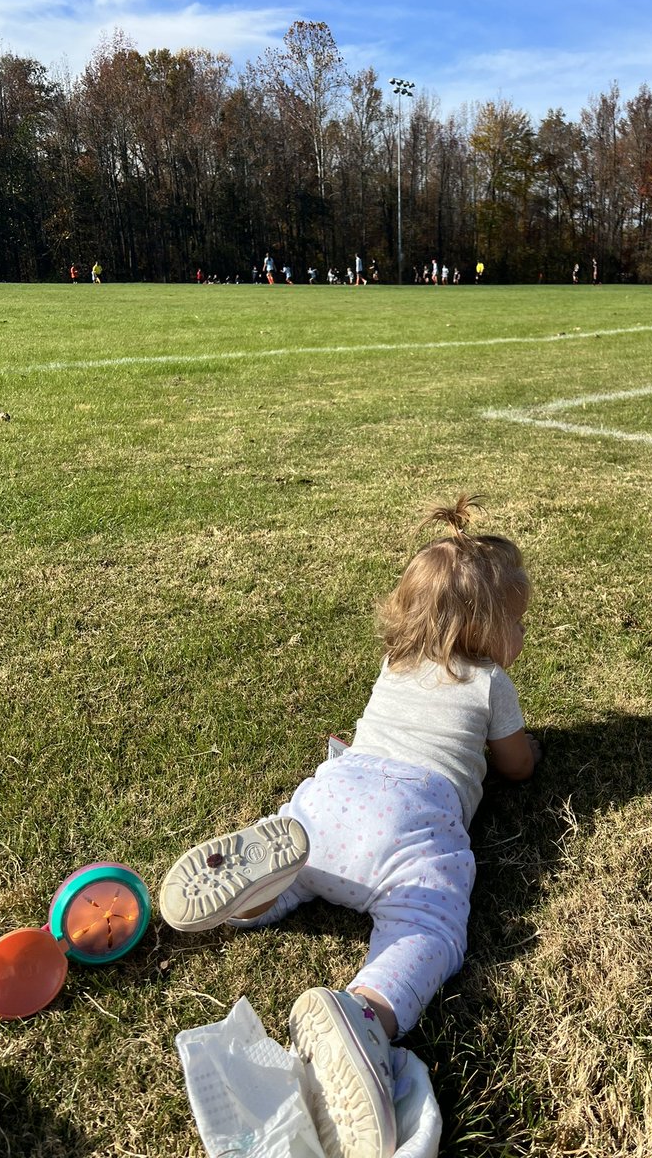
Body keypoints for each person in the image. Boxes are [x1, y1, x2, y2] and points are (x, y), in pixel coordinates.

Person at [159, 495, 539, 1158]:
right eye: (519, 623)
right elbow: (516, 767)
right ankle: (365, 1010)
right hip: (414, 819)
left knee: (303, 855)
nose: (524, 636)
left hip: (336, 792)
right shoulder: (488, 684)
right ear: (488, 632)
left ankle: (259, 895)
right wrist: (527, 749)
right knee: (428, 921)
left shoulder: (394, 665)